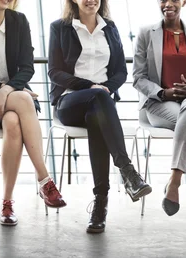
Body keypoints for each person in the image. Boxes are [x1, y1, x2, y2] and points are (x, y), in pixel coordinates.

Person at [0, 0, 66, 227]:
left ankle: (7, 204)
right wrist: (0, 90)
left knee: (13, 121)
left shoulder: (20, 21)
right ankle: (45, 180)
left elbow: (27, 67)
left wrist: (7, 90)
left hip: (15, 100)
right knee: (24, 98)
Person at [48, 0, 152, 233]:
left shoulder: (110, 28)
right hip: (69, 101)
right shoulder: (60, 27)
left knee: (98, 114)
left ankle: (100, 206)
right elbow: (54, 72)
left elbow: (120, 72)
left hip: (100, 104)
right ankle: (128, 172)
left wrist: (103, 89)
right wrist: (91, 87)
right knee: (99, 101)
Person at [133, 0, 186, 230]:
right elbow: (138, 77)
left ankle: (174, 180)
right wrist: (163, 92)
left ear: (183, 1)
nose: (168, 4)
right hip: (160, 103)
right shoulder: (146, 33)